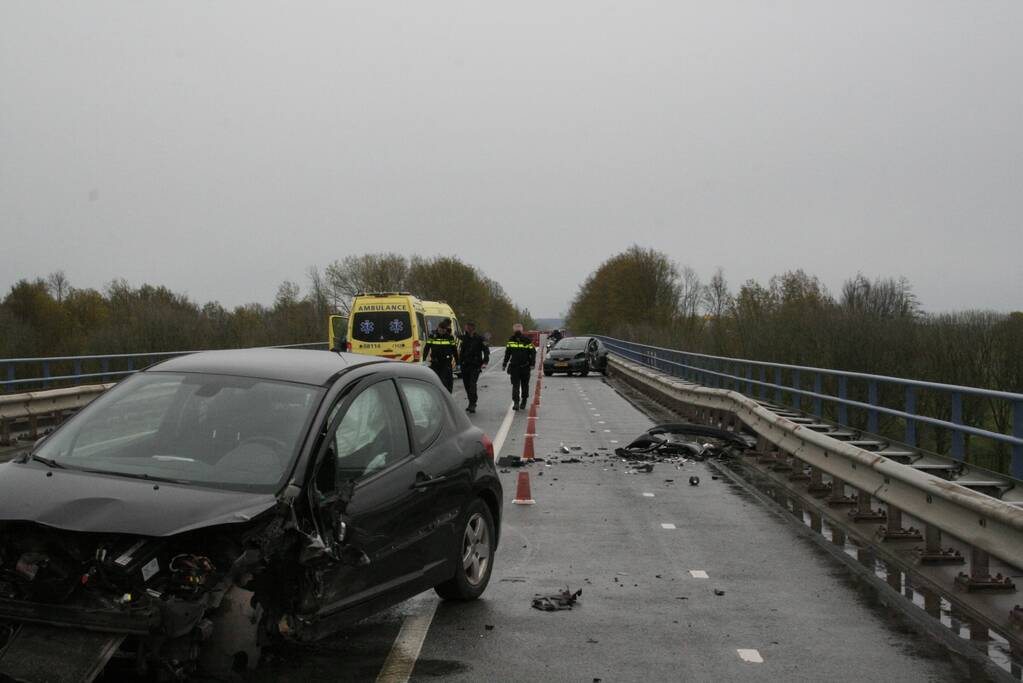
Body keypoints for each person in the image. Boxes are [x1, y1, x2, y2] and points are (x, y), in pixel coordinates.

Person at [502, 323, 536, 410]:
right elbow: (507, 353)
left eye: (518, 330)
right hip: (515, 367)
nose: (517, 332)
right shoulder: (511, 340)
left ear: (521, 330)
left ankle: (523, 401)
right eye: (516, 330)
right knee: (516, 385)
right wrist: (504, 363)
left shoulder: (526, 340)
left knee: (524, 385)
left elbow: (533, 352)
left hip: (524, 367)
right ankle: (517, 402)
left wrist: (532, 364)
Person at [458, 320, 490, 413]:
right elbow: (460, 351)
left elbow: (486, 351)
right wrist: (459, 363)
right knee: (467, 385)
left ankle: (473, 403)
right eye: (467, 327)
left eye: (469, 327)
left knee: (472, 384)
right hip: (465, 365)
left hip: (475, 365)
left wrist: (485, 362)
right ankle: (470, 402)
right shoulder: (463, 338)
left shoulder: (480, 339)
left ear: (473, 328)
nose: (467, 329)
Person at [423, 317, 459, 392]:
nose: (441, 332)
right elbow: (426, 348)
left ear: (446, 330)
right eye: (440, 330)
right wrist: (424, 359)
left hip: (446, 362)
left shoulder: (449, 337)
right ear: (438, 328)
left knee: (445, 381)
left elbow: (454, 350)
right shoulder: (432, 336)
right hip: (435, 362)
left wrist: (457, 362)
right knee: (435, 380)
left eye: (443, 330)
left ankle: (446, 394)